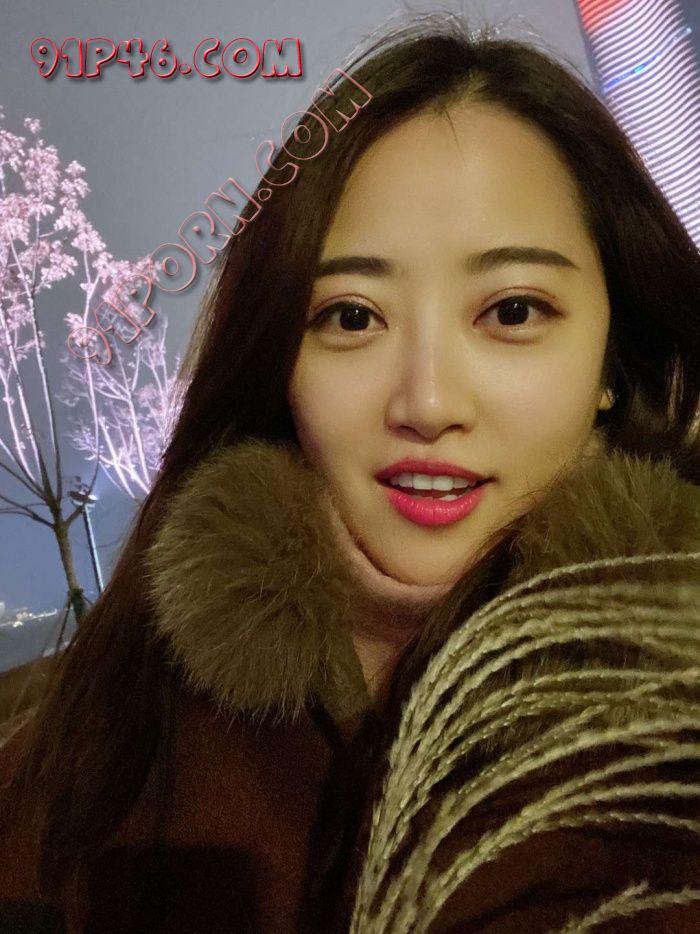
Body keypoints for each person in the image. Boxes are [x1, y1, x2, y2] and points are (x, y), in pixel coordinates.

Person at [1, 11, 699, 933]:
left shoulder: (671, 733)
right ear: (278, 357)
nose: (427, 401)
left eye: (513, 311)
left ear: (614, 357)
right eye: (353, 317)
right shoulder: (77, 742)